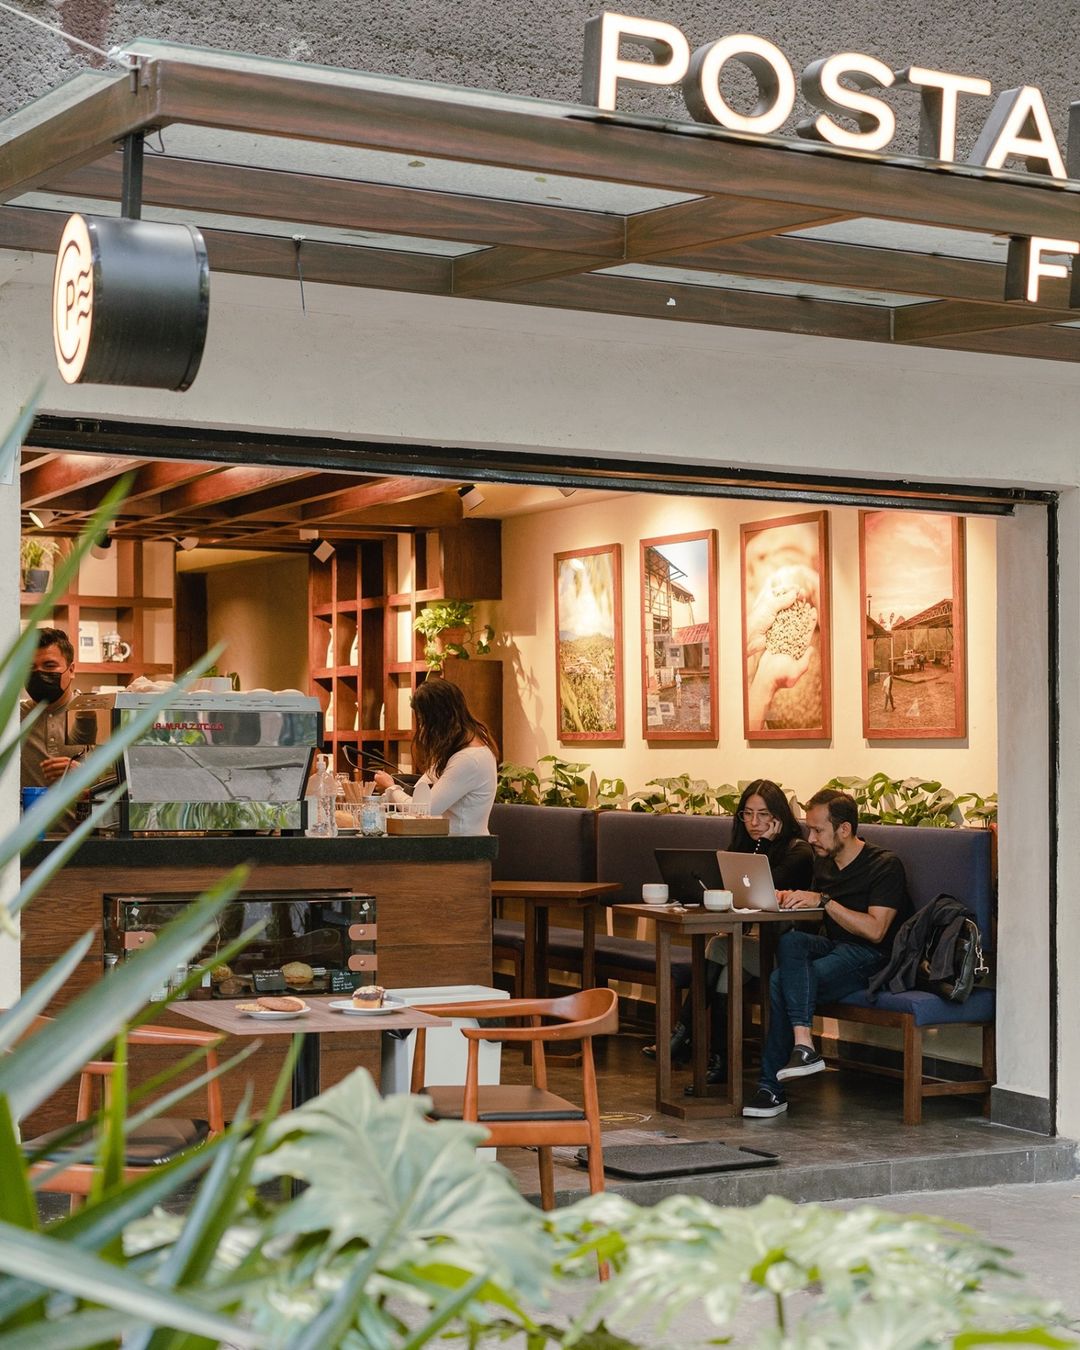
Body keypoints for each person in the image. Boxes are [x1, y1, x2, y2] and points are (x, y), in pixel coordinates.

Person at [743, 788, 910, 1118]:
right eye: (809, 829)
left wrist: (823, 901)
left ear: (844, 829)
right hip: (836, 947)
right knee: (790, 943)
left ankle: (771, 1087)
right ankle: (803, 1045)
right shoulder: (824, 861)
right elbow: (813, 911)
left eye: (818, 830)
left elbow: (876, 930)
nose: (811, 837)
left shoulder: (885, 865)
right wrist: (789, 898)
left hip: (874, 956)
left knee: (780, 981)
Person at [643, 779, 814, 1084]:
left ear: (779, 816)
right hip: (753, 947)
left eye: (763, 815)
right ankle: (718, 1058)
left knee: (718, 948)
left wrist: (767, 845)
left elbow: (763, 890)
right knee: (723, 968)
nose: (754, 822)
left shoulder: (797, 851)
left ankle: (684, 1038)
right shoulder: (744, 847)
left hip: (786, 954)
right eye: (747, 814)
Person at [373, 678, 497, 835]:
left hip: (463, 849)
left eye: (423, 721)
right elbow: (425, 785)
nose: (423, 728)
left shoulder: (468, 759)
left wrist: (391, 788)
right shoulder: (462, 747)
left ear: (437, 720)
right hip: (453, 842)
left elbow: (423, 809)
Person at [20, 628, 87, 833]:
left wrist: (84, 778)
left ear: (72, 669)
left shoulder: (97, 714)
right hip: (25, 847)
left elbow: (124, 789)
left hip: (87, 847)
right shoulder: (14, 718)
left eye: (49, 666)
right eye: (31, 668)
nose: (39, 674)